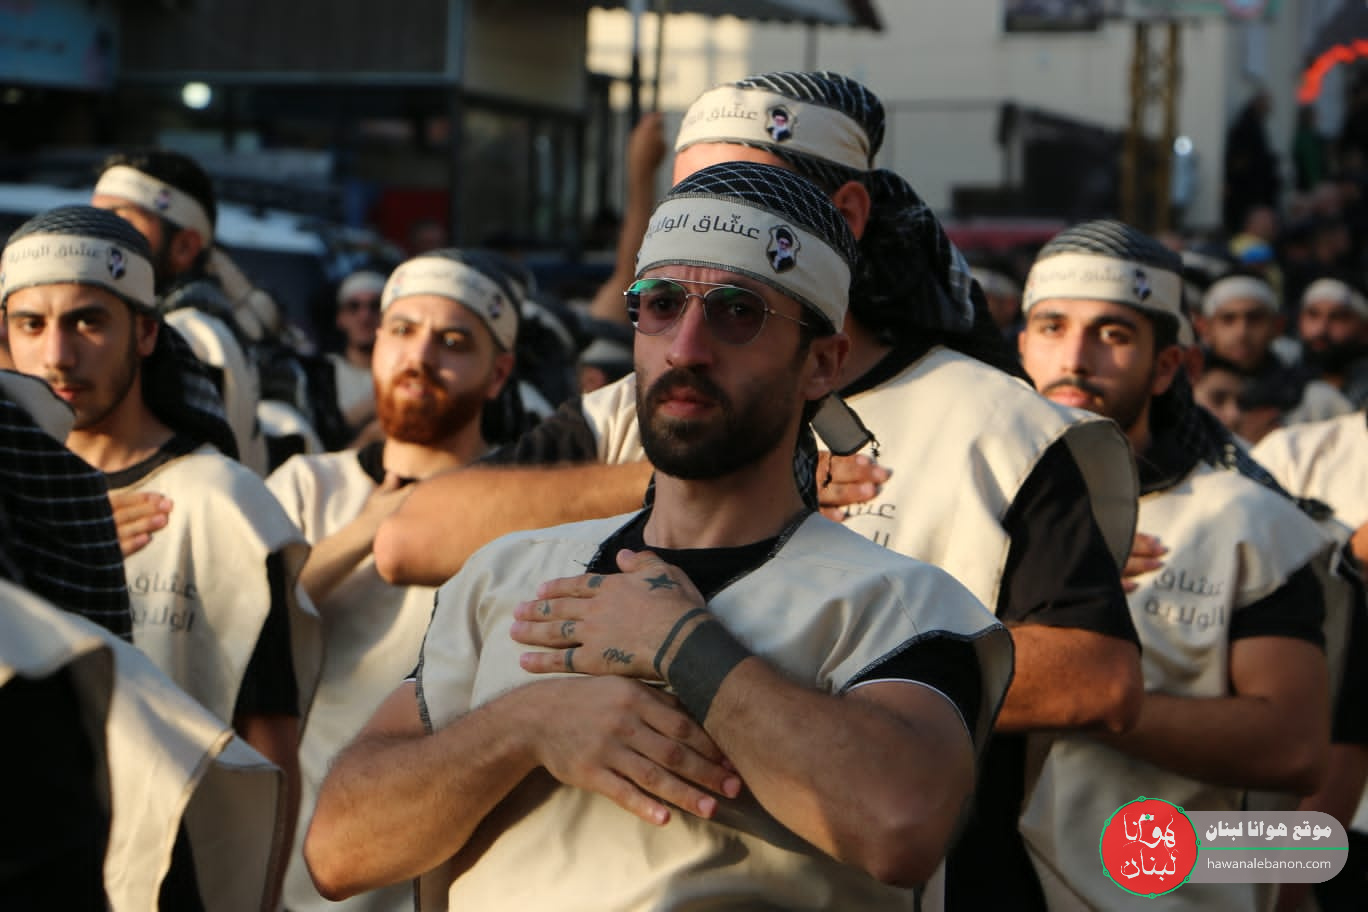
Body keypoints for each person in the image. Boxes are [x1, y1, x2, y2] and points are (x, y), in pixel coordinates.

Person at [374, 71, 1142, 908]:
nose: (705, 221)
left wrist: (746, 671)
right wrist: (678, 469)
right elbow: (410, 537)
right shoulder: (639, 400)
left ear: (846, 216)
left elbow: (1095, 678)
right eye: (682, 204)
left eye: (740, 190)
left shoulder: (999, 427)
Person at [305, 161, 1013, 911]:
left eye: (738, 312)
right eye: (662, 304)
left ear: (822, 364)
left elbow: (899, 827)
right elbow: (339, 850)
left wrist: (686, 650)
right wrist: (527, 724)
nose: (686, 348)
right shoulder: (503, 574)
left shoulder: (901, 608)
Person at [0, 204, 317, 911]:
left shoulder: (222, 507)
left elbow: (269, 746)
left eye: (88, 321)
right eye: (30, 324)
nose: (57, 355)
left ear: (146, 332)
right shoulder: (14, 501)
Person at [1015, 219, 1334, 911]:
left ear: (1167, 367)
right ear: (1022, 346)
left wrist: (1087, 696)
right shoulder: (977, 501)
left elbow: (1295, 749)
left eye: (1113, 334)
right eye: (1052, 327)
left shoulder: (1245, 523)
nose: (1075, 358)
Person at [268, 249, 517, 912]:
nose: (420, 356)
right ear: (375, 345)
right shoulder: (307, 486)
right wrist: (371, 529)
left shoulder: (523, 506)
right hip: (297, 875)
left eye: (453, 342)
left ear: (499, 374)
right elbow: (240, 619)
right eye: (402, 331)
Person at [91, 147, 268, 474]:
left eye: (119, 222)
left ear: (184, 246)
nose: (96, 238)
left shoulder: (186, 336)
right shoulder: (199, 325)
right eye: (95, 219)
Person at [1194, 270, 1352, 425]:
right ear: (1204, 327)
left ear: (1278, 326)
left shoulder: (1317, 399)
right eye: (1228, 319)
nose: (1242, 332)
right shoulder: (1187, 393)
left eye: (1255, 319)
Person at [329, 268, 385, 438]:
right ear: (340, 318)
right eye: (354, 307)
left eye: (375, 306)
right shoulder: (325, 372)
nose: (365, 316)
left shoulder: (405, 372)